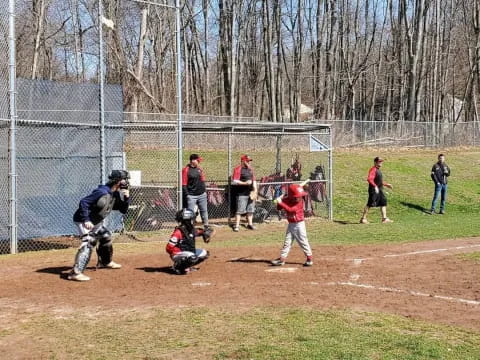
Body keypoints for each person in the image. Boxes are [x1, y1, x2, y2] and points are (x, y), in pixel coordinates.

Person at [68, 170, 131, 281]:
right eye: (124, 179)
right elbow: (84, 202)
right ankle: (75, 273)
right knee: (89, 241)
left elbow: (123, 210)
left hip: (96, 222)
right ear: (117, 181)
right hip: (83, 221)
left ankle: (105, 262)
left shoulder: (114, 193)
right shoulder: (102, 191)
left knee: (105, 236)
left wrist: (126, 198)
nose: (126, 182)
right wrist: (86, 219)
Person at [271, 183, 313, 267]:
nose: (299, 197)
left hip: (299, 225)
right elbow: (279, 208)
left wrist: (281, 202)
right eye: (297, 196)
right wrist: (279, 200)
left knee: (303, 242)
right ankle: (282, 259)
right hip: (291, 224)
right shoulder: (287, 199)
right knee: (287, 242)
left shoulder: (300, 201)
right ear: (291, 196)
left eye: (299, 196)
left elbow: (291, 210)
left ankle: (309, 259)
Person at [166, 208, 213, 275]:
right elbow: (168, 248)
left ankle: (188, 266)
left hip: (188, 253)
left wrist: (205, 233)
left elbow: (200, 232)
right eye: (192, 219)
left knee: (205, 254)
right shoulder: (179, 231)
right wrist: (176, 254)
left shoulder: (190, 229)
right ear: (187, 220)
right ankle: (177, 267)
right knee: (192, 257)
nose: (193, 220)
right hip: (177, 254)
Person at [360, 157, 393, 224]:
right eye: (379, 161)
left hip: (379, 190)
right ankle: (363, 219)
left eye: (381, 161)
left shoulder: (378, 170)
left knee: (383, 202)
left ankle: (384, 219)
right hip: (373, 190)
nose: (380, 163)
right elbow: (369, 179)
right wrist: (375, 186)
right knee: (370, 204)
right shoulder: (373, 169)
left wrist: (386, 184)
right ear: (375, 162)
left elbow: (379, 181)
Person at [182, 153, 209, 229]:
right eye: (198, 160)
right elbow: (184, 184)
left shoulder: (199, 169)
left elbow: (203, 180)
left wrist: (204, 191)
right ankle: (189, 227)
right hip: (191, 195)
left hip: (202, 194)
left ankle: (206, 226)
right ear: (193, 161)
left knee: (204, 210)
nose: (199, 161)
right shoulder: (186, 170)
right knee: (190, 212)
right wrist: (188, 195)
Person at [231, 154, 256, 232]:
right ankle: (237, 226)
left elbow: (254, 180)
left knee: (250, 210)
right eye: (247, 161)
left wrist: (255, 191)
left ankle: (250, 224)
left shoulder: (250, 169)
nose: (249, 162)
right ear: (243, 161)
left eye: (249, 161)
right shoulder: (238, 169)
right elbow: (234, 181)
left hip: (250, 192)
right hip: (241, 193)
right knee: (239, 210)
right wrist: (245, 183)